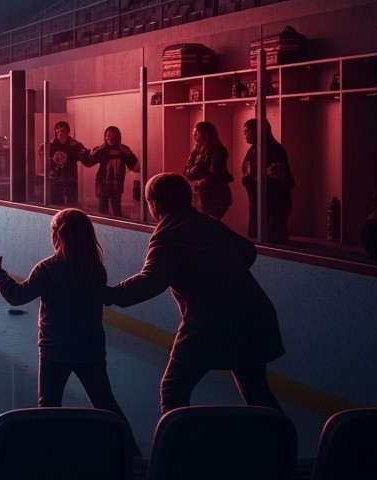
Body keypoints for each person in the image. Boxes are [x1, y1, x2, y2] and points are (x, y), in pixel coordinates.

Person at [105, 173, 285, 413]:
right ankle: (283, 444)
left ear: (154, 205)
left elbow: (151, 280)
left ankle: (178, 446)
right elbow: (247, 251)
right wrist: (221, 275)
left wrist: (112, 295)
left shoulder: (167, 235)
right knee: (257, 391)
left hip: (210, 322)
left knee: (173, 390)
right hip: (253, 314)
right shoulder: (208, 223)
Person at [0, 209, 141, 456]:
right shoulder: (96, 269)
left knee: (48, 407)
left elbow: (16, 296)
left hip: (54, 350)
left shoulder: (48, 269)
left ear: (57, 235)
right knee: (106, 404)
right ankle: (133, 453)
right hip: (90, 349)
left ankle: (47, 456)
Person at [241, 118, 293, 244]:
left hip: (273, 205)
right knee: (257, 239)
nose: (245, 135)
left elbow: (276, 180)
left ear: (257, 131)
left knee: (272, 241)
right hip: (258, 204)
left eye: (247, 131)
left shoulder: (273, 150)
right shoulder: (254, 149)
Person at [80, 126, 139, 217]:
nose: (111, 138)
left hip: (117, 185)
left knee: (116, 210)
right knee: (103, 211)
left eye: (114, 136)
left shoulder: (124, 150)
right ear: (105, 137)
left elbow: (136, 166)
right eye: (109, 136)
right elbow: (88, 162)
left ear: (118, 137)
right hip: (103, 184)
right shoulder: (101, 150)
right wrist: (83, 154)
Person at [184, 121, 233, 221]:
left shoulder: (217, 150)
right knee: (204, 223)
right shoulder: (197, 150)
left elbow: (215, 174)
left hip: (216, 195)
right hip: (203, 195)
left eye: (196, 134)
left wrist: (201, 180)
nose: (194, 137)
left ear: (205, 135)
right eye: (193, 135)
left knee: (208, 223)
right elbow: (187, 172)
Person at [44, 121, 87, 206]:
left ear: (68, 132)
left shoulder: (75, 145)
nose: (61, 133)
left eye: (64, 131)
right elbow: (42, 156)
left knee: (72, 203)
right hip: (55, 179)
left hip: (70, 178)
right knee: (55, 203)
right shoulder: (49, 145)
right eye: (59, 131)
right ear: (56, 132)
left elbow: (86, 157)